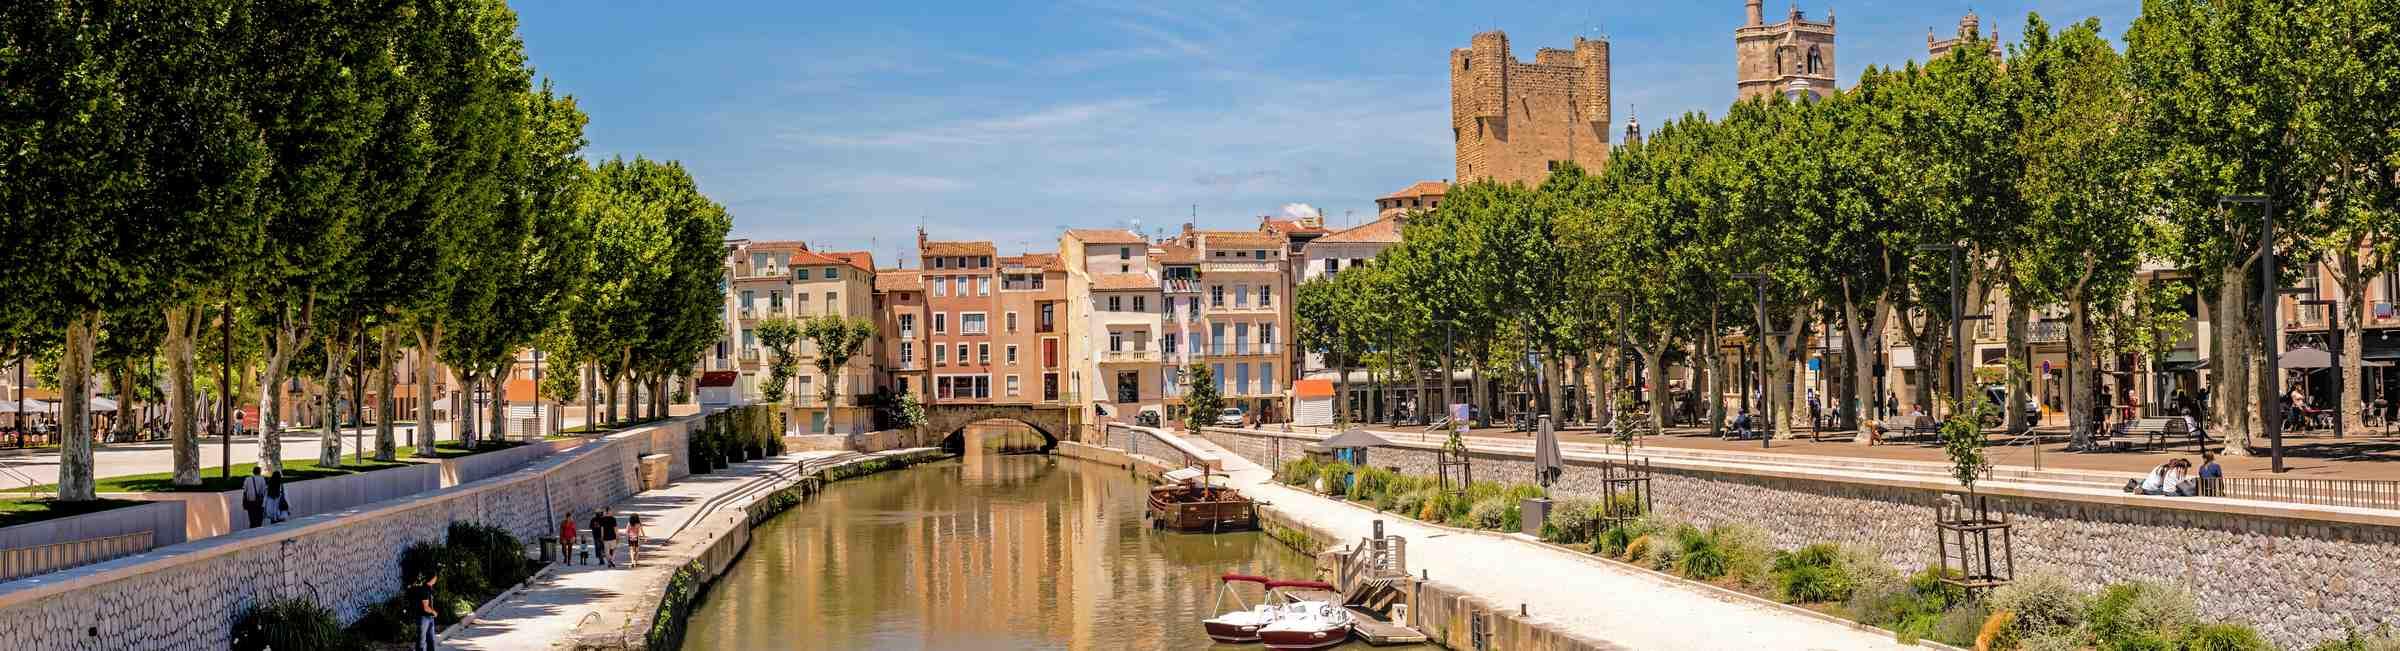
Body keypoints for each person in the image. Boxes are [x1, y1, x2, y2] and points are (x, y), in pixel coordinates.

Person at [410, 573, 439, 651]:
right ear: (432, 579)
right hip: (424, 618)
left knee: (431, 640)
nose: (436, 579)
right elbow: (425, 607)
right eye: (435, 578)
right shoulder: (424, 589)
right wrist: (434, 612)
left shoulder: (430, 588)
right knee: (421, 640)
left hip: (430, 618)